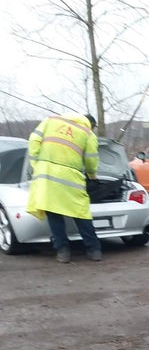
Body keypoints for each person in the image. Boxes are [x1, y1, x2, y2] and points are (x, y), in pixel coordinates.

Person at [26, 112, 102, 262]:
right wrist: (92, 176)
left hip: (46, 175)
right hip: (71, 178)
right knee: (81, 213)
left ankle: (63, 252)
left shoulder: (50, 121)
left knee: (54, 212)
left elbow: (33, 140)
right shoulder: (88, 133)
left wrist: (36, 165)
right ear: (91, 124)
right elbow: (91, 160)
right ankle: (94, 250)